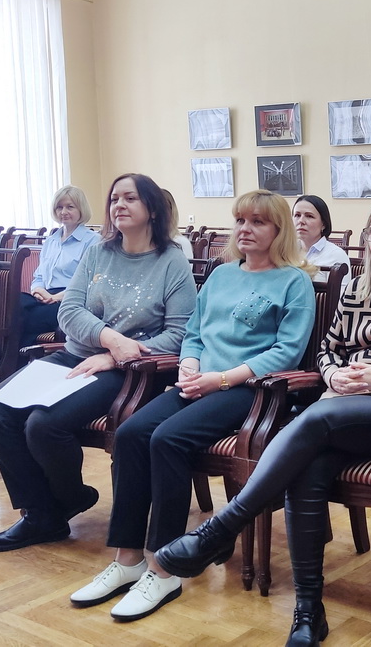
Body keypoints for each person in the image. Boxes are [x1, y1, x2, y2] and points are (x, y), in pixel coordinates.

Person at [154, 198, 371, 646]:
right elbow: (328, 350)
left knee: (314, 419)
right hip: (340, 410)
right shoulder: (357, 289)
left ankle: (222, 527)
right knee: (308, 469)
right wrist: (333, 374)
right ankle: (308, 611)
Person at [69, 190, 315, 621]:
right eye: (241, 220)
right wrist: (189, 365)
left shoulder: (294, 281)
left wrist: (222, 378)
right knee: (130, 433)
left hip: (250, 390)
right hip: (200, 380)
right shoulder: (221, 274)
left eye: (258, 222)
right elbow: (195, 333)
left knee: (168, 439)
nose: (245, 229)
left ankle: (166, 566)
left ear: (279, 230)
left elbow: (286, 352)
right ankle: (128, 559)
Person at [0, 173, 196, 552]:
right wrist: (109, 339)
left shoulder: (171, 261)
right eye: (114, 199)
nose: (119, 205)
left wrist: (114, 357)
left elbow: (179, 334)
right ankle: (47, 510)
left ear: (152, 209)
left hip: (131, 370)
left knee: (43, 425)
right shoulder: (98, 252)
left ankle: (57, 504)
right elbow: (69, 311)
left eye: (130, 198)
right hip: (77, 355)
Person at [20, 185, 100, 347]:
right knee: (16, 304)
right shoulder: (51, 241)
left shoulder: (93, 241)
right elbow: (39, 276)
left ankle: (15, 356)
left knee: (23, 319)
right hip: (45, 296)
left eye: (70, 207)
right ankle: (20, 355)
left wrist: (55, 297)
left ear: (81, 209)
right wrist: (38, 291)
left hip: (71, 300)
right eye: (59, 207)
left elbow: (90, 282)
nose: (64, 212)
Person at [293, 194, 350, 282]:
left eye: (309, 216)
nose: (301, 221)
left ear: (323, 224)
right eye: (297, 215)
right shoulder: (285, 252)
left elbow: (341, 291)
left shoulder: (336, 255)